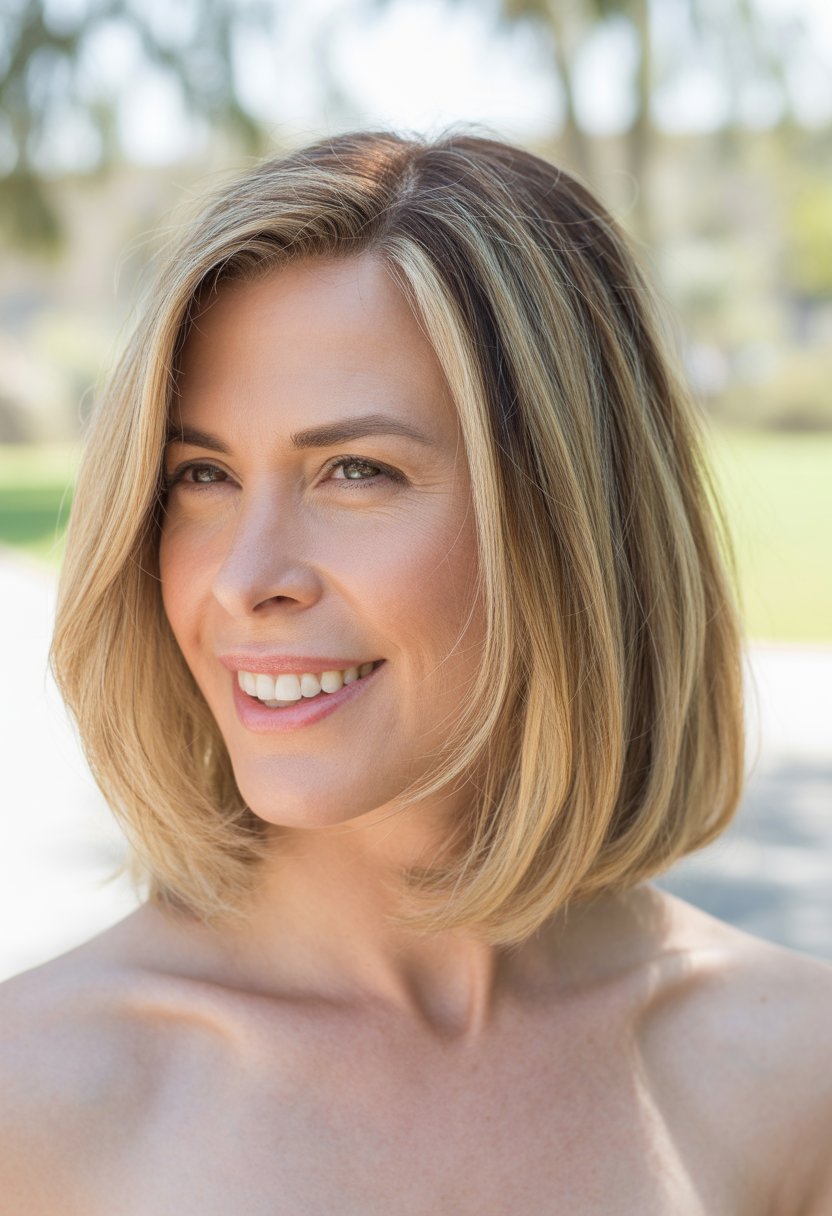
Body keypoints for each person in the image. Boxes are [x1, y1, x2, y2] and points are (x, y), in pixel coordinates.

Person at [1, 128, 830, 1214]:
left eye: (355, 470)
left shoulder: (790, 1073)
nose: (245, 578)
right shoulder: (39, 1095)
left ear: (572, 525)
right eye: (201, 474)